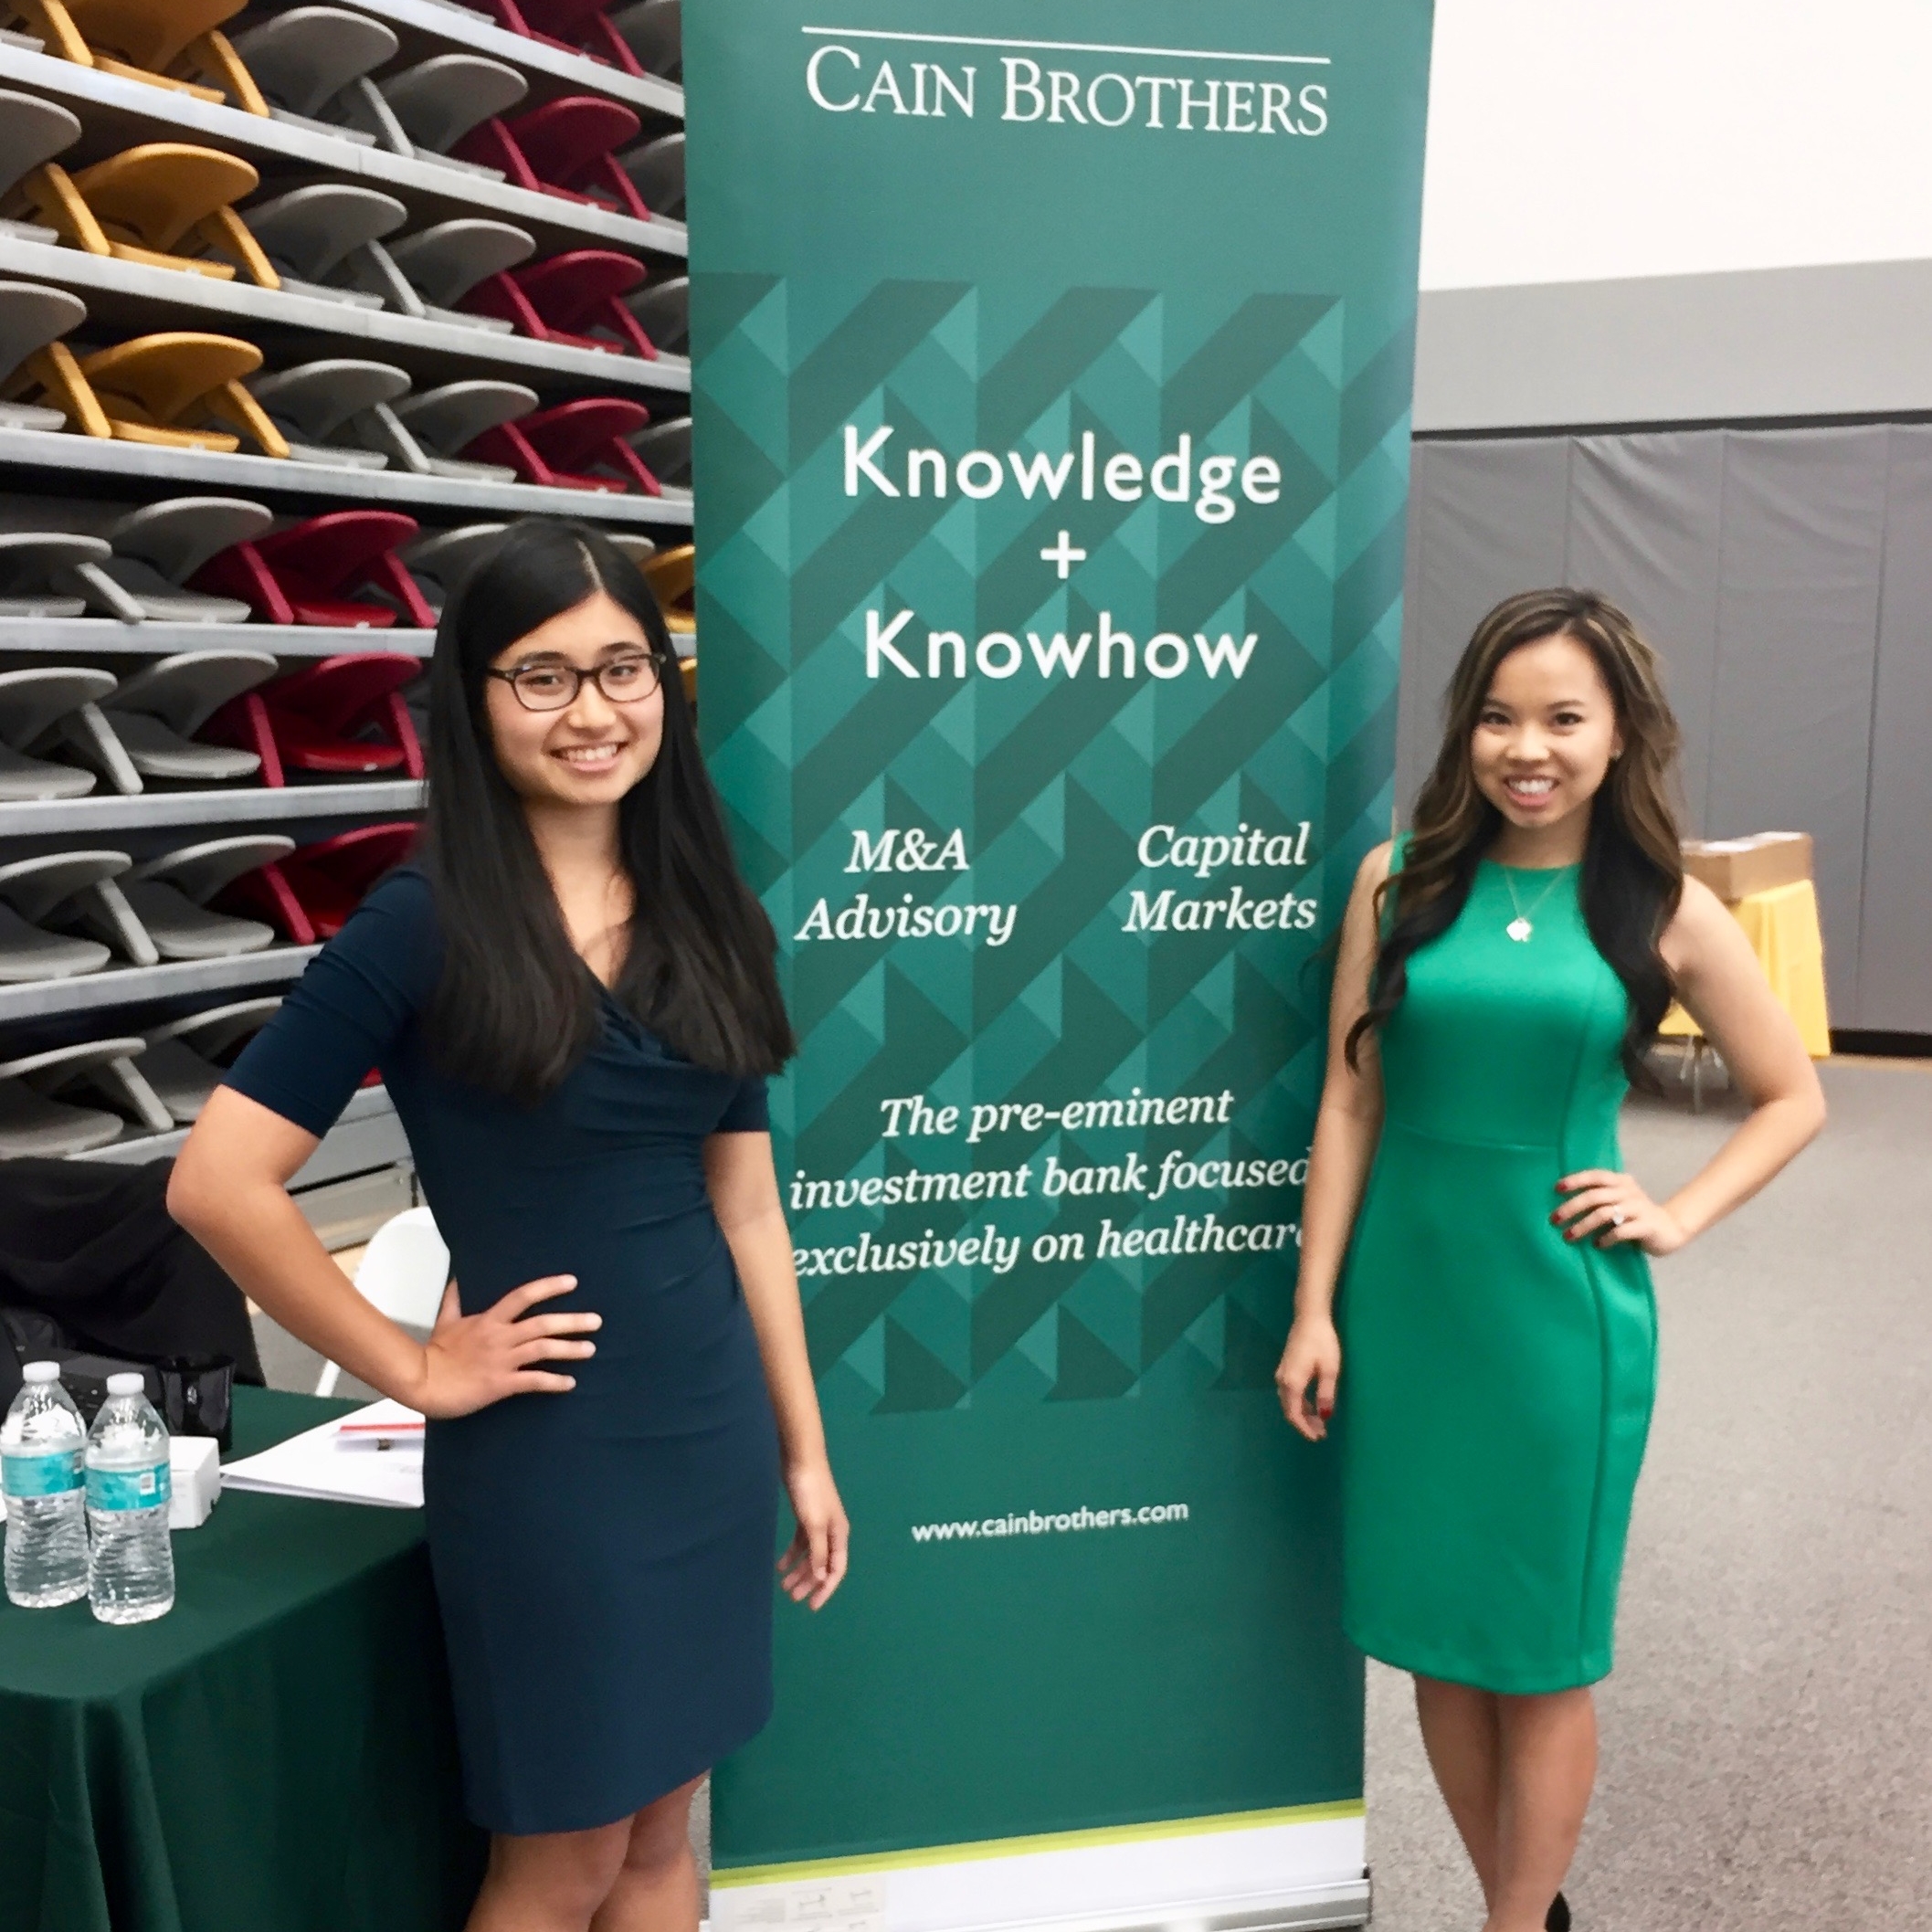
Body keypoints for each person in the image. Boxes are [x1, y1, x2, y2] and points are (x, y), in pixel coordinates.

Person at [170, 519, 848, 1932]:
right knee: (561, 1866)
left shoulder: (709, 912)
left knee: (666, 1839)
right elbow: (217, 1183)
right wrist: (415, 1364)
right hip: (554, 1456)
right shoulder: (420, 924)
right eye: (542, 677)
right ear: (475, 699)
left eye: (623, 669)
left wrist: (804, 1447)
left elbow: (748, 1210)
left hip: (708, 1437)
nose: (593, 710)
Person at [1274, 589, 1824, 1932]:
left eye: (1565, 718)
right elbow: (1351, 1102)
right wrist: (1315, 1309)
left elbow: (1792, 1094)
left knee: (1539, 1654)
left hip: (1555, 1328)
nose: (1530, 747)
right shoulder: (1397, 881)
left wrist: (1676, 1214)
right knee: (1441, 1652)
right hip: (1408, 1308)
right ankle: (1521, 1906)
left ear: (1621, 733)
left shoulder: (1662, 907)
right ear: (1466, 730)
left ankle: (1513, 1929)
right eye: (1500, 717)